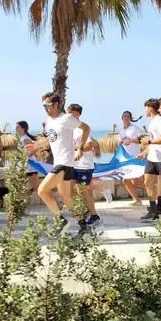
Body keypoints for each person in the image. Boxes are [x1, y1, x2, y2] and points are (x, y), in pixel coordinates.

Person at [34, 92, 91, 234]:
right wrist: (36, 146)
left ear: (56, 104)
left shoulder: (67, 118)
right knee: (66, 197)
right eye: (43, 105)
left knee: (42, 191)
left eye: (47, 105)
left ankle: (60, 220)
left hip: (64, 163)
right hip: (59, 163)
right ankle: (84, 226)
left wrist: (81, 149)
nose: (45, 108)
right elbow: (51, 139)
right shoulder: (49, 121)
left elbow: (86, 128)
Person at [67, 104, 101, 235]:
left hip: (84, 166)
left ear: (78, 115)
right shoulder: (69, 129)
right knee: (69, 191)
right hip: (73, 165)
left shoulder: (83, 129)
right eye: (69, 113)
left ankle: (94, 215)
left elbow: (90, 145)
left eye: (73, 114)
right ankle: (84, 210)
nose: (71, 116)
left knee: (84, 191)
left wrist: (77, 149)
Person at [119, 111, 145, 206]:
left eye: (128, 116)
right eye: (124, 116)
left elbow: (143, 139)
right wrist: (120, 142)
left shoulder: (135, 129)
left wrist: (132, 140)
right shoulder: (122, 131)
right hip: (125, 159)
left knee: (135, 181)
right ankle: (136, 200)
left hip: (135, 157)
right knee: (126, 181)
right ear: (122, 118)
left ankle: (153, 189)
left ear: (130, 118)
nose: (126, 118)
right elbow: (122, 143)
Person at [16, 120, 40, 192]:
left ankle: (55, 201)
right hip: (24, 166)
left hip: (30, 166)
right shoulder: (21, 138)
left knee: (36, 188)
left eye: (17, 127)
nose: (16, 129)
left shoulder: (25, 138)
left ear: (23, 129)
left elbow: (36, 147)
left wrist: (28, 155)